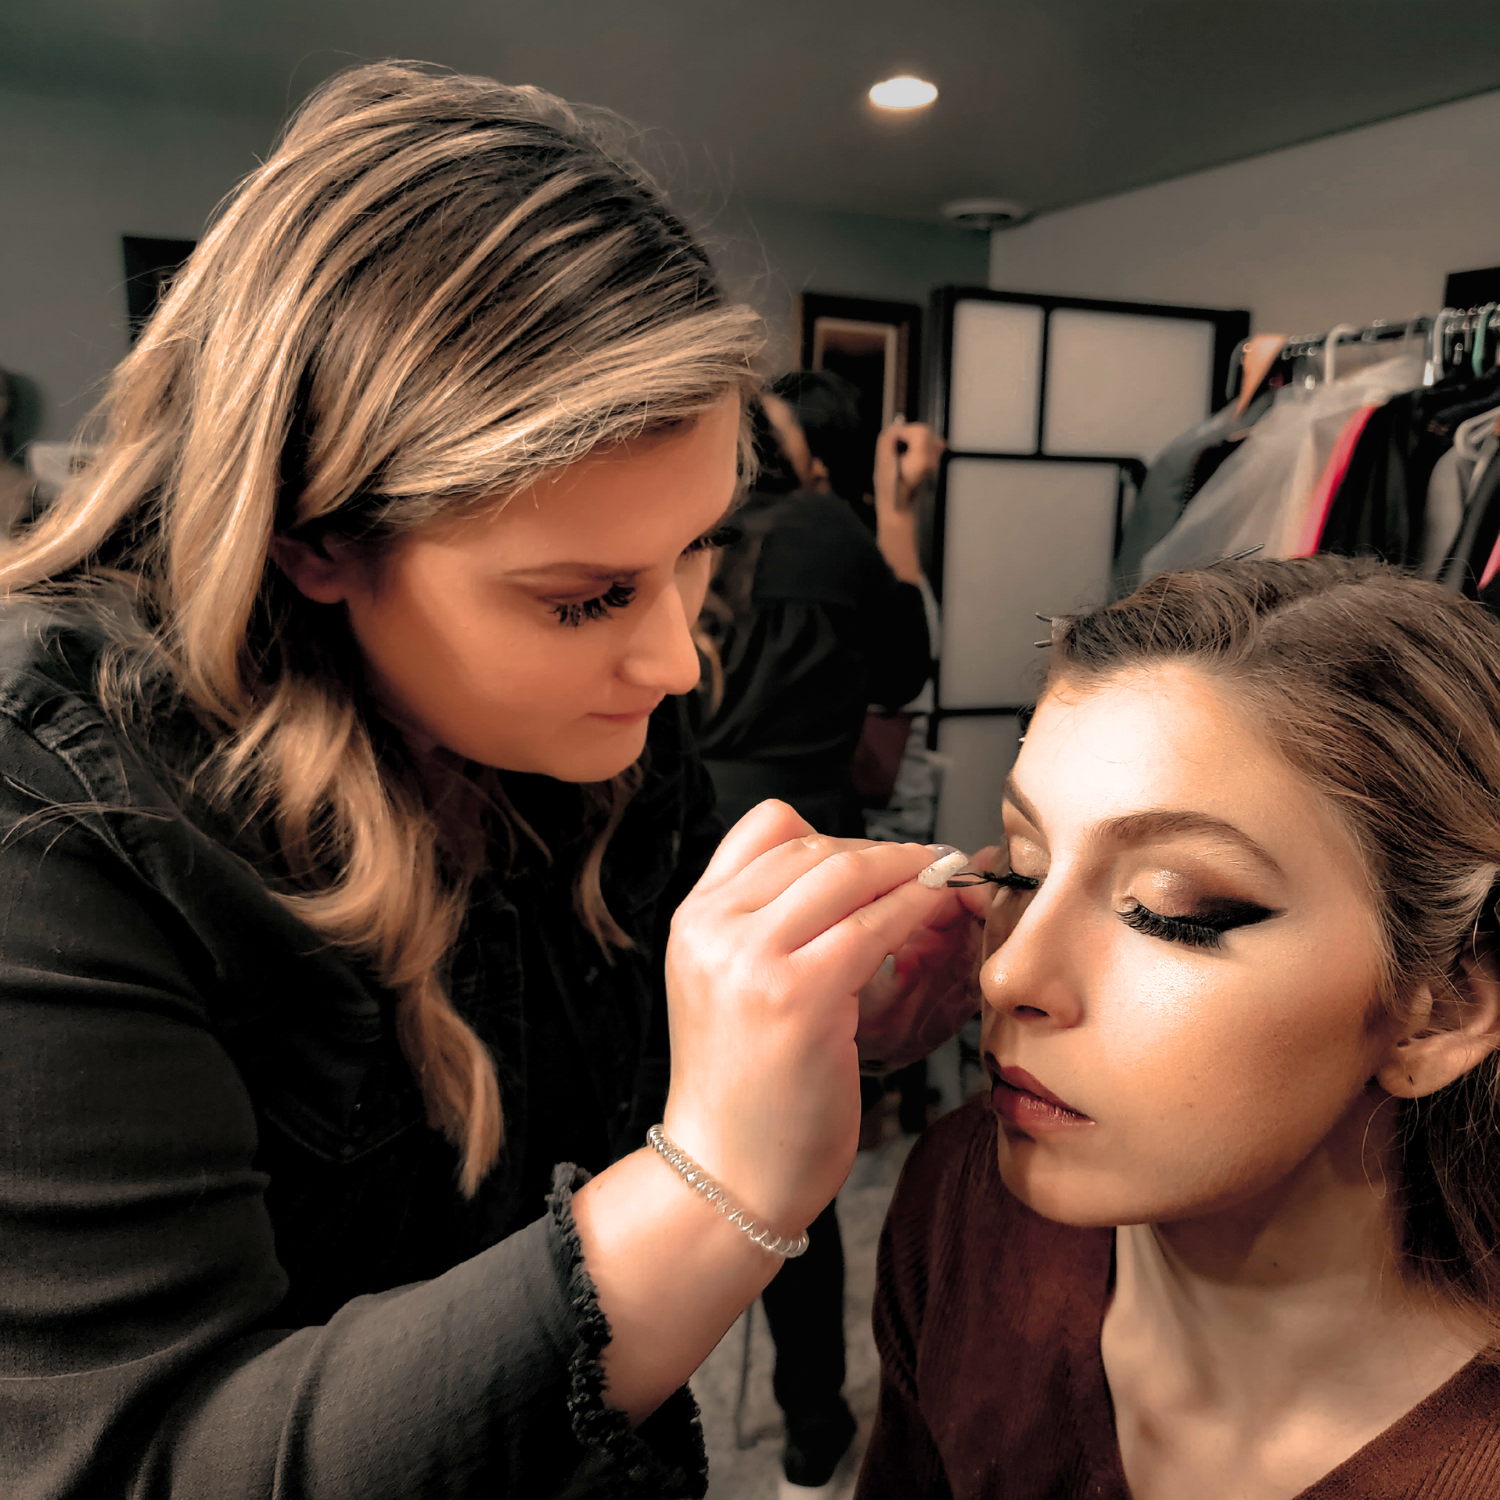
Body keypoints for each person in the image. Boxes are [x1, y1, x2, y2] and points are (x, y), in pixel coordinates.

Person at [0, 63, 989, 1500]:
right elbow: (149, 1461)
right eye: (584, 597)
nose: (676, 665)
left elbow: (625, 1081)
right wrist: (714, 1191)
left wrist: (826, 1022)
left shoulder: (580, 743)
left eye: (698, 553)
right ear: (313, 537)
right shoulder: (55, 813)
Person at [858, 554, 1500, 1499]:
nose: (1007, 971)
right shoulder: (960, 1202)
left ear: (1435, 1013)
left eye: (1172, 907)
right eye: (1023, 872)